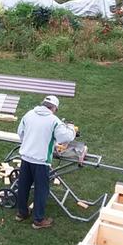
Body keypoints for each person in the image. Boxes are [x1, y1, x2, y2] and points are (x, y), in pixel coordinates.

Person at [15, 95, 76, 229]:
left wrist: (30, 144)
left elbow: (20, 133)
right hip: (41, 161)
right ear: (54, 108)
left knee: (23, 186)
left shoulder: (29, 114)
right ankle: (38, 220)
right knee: (41, 190)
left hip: (25, 157)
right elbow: (65, 138)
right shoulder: (54, 120)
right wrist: (71, 128)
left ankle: (21, 213)